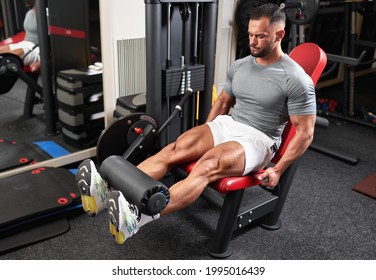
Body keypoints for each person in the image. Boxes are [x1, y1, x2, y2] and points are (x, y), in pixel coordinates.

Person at [76, 3, 316, 244]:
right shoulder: (241, 65)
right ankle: (105, 191)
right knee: (175, 148)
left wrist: (277, 169)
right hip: (229, 124)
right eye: (251, 34)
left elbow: (305, 133)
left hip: (258, 139)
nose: (252, 41)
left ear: (279, 35)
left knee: (207, 164)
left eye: (260, 36)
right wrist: (207, 130)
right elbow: (223, 101)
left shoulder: (295, 79)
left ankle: (137, 219)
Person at [0, 1, 40, 72]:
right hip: (25, 43)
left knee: (14, 54)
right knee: (1, 49)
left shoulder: (46, 15)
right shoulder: (29, 13)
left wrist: (41, 63)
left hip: (37, 49)